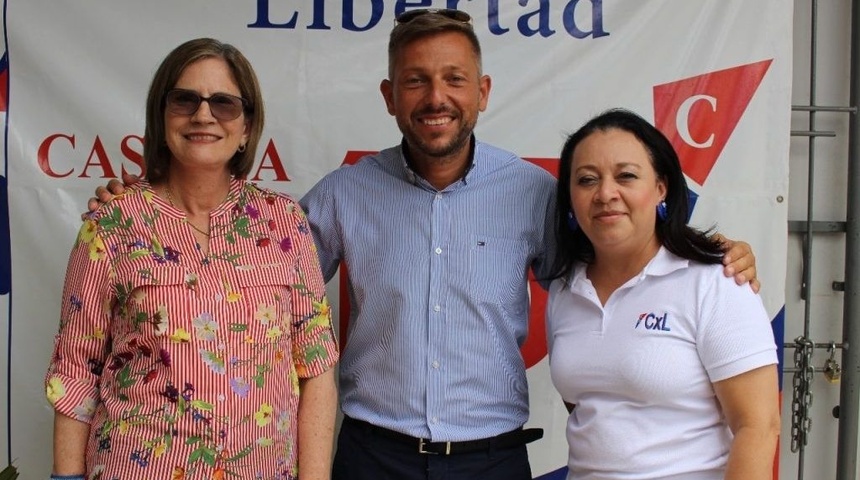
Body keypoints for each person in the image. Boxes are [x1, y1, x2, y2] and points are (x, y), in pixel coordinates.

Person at [90, 10, 759, 480]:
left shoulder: (534, 192)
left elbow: (623, 246)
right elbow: (240, 263)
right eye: (415, 80)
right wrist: (145, 205)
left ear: (482, 92)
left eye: (453, 79)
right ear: (389, 95)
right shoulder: (345, 194)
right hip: (369, 457)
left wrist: (711, 249)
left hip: (492, 461)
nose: (435, 97)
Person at [47, 38, 339, 480]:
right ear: (161, 116)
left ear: (246, 128)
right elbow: (75, 372)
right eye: (185, 100)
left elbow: (315, 367)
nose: (203, 115)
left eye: (223, 103)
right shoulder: (111, 225)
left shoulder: (285, 225)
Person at [546, 108, 780, 480]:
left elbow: (758, 426)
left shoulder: (714, 280)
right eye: (587, 180)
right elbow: (589, 406)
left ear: (661, 187)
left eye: (626, 176)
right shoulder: (565, 288)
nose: (606, 193)